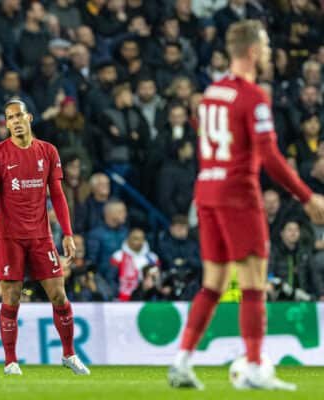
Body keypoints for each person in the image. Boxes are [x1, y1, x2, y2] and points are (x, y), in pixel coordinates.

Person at [168, 21, 324, 391]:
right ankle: (255, 366)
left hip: (206, 192)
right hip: (238, 196)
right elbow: (269, 155)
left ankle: (182, 361)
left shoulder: (210, 94)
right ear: (253, 51)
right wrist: (307, 197)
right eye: (267, 46)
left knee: (213, 284)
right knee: (254, 285)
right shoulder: (253, 97)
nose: (269, 52)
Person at [0, 99, 90, 375]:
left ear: (29, 117)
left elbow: (58, 195)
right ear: (6, 124)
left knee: (58, 295)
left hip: (41, 236)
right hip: (10, 238)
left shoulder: (48, 151)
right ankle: (10, 361)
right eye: (9, 118)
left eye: (18, 115)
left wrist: (67, 233)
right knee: (11, 298)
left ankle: (69, 354)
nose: (15, 121)